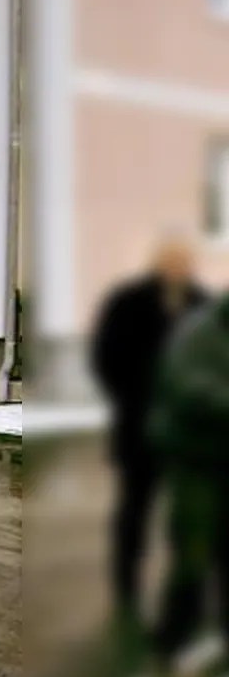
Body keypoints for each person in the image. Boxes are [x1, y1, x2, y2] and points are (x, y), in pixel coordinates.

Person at [91, 232, 207, 621]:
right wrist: (136, 397)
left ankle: (185, 594)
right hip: (139, 428)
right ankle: (126, 587)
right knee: (135, 510)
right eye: (171, 260)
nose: (179, 267)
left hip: (188, 435)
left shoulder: (201, 304)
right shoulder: (128, 303)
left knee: (187, 515)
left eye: (184, 260)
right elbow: (107, 357)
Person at [146, 275, 229, 673]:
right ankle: (170, 640)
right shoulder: (200, 332)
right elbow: (187, 384)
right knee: (194, 555)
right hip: (197, 461)